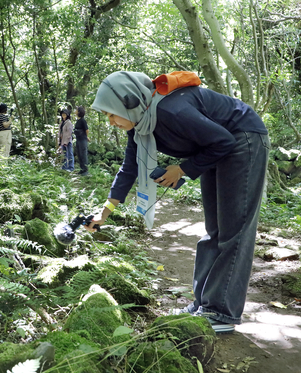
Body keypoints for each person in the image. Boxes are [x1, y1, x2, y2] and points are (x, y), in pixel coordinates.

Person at [86, 71, 270, 335]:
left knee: (234, 231)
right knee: (214, 231)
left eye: (111, 113)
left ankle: (222, 313)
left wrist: (182, 169)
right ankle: (204, 304)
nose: (110, 121)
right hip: (213, 148)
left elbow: (224, 140)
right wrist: (104, 212)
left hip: (243, 139)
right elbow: (129, 169)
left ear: (128, 102)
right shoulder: (141, 124)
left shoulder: (171, 110)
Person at [74, 106, 90, 176]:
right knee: (79, 154)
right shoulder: (78, 120)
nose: (75, 111)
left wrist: (86, 137)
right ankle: (81, 169)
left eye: (76, 110)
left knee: (83, 154)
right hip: (78, 139)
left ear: (79, 112)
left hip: (83, 140)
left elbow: (87, 130)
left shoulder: (83, 120)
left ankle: (85, 170)